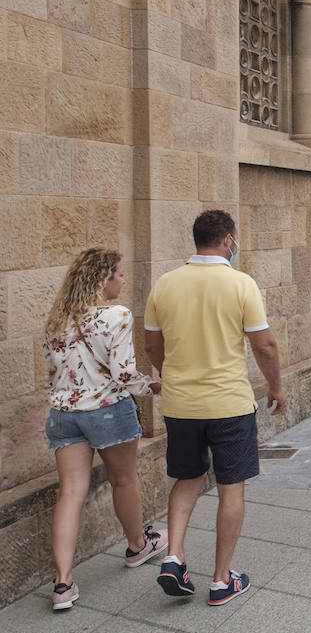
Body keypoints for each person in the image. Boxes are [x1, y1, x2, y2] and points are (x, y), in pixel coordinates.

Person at [144, 209, 284, 605]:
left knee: (186, 479)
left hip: (180, 404)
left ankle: (174, 556)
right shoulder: (240, 284)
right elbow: (264, 345)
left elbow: (152, 345)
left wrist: (171, 374)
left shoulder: (165, 285)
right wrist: (276, 386)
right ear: (228, 240)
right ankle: (222, 580)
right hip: (228, 403)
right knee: (230, 487)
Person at [43, 248, 165, 611]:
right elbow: (124, 374)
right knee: (125, 481)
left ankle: (63, 583)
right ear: (103, 278)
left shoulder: (57, 320)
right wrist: (152, 387)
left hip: (64, 413)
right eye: (120, 274)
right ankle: (137, 546)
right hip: (108, 411)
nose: (123, 281)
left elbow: (52, 373)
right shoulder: (117, 315)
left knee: (70, 492)